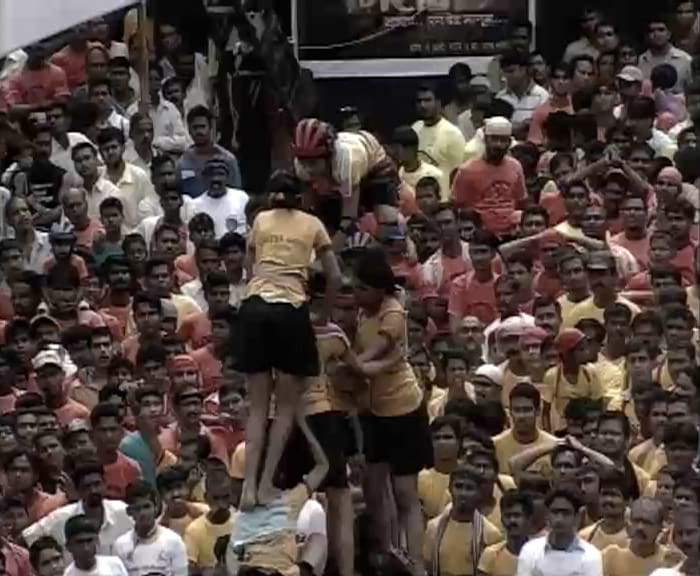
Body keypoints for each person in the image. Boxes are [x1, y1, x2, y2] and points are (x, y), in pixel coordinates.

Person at [237, 171, 340, 509]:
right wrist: (323, 314)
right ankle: (265, 484)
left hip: (254, 306)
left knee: (256, 406)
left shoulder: (261, 220)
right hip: (290, 308)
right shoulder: (313, 224)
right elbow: (334, 275)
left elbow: (249, 268)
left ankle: (248, 487)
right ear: (299, 198)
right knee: (285, 407)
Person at [23, 460, 132, 552]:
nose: (93, 490)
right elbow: (26, 537)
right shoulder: (61, 517)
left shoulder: (122, 511)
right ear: (78, 490)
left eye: (97, 484)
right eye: (87, 487)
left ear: (105, 484)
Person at [422, 462, 502, 576]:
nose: (463, 493)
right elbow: (428, 568)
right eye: (458, 486)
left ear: (479, 493)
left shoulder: (490, 534)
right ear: (450, 488)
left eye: (469, 488)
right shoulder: (433, 527)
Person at [452, 117, 526, 237]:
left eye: (503, 140)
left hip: (511, 233)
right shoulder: (467, 170)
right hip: (480, 235)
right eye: (494, 139)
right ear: (485, 140)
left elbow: (521, 201)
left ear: (509, 142)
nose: (498, 144)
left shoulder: (516, 166)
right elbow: (458, 205)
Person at [517, 487, 603, 576]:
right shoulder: (530, 551)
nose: (559, 519)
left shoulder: (591, 555)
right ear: (547, 516)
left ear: (577, 517)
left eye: (566, 513)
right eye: (554, 512)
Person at [113, 481, 188, 576]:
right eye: (137, 509)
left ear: (156, 508)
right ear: (129, 512)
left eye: (146, 507)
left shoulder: (174, 541)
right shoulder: (120, 545)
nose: (143, 513)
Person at [96, 127, 156, 230]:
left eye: (114, 147)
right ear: (100, 153)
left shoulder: (139, 175)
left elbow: (150, 210)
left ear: (123, 148)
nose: (110, 152)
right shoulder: (97, 177)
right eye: (106, 149)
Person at [601, 497, 677, 576]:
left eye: (647, 522)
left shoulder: (668, 560)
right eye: (636, 521)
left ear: (660, 527)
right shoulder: (611, 556)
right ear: (628, 524)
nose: (640, 527)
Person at [178, 106, 241, 198]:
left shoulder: (228, 160)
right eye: (195, 128)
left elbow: (237, 194)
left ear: (210, 128)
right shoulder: (182, 163)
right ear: (189, 130)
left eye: (202, 127)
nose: (199, 131)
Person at [412, 83, 467, 189]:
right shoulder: (415, 128)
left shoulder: (453, 133)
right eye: (419, 101)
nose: (423, 105)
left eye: (428, 100)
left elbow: (460, 173)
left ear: (438, 102)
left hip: (443, 199)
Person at [478, 490, 533, 576]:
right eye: (508, 516)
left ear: (528, 518)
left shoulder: (539, 554)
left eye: (517, 515)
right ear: (502, 519)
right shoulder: (491, 554)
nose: (512, 520)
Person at [191, 158, 249, 237]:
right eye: (211, 174)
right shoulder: (195, 205)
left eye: (220, 174)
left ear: (227, 176)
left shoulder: (241, 198)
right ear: (204, 177)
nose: (216, 178)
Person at [496, 50, 550, 129]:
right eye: (504, 72)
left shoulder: (542, 96)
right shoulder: (500, 97)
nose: (505, 77)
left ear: (524, 70)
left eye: (510, 71)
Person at [62, 514, 128, 576]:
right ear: (68, 546)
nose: (86, 548)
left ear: (97, 541)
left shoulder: (114, 564)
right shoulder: (67, 574)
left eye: (89, 541)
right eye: (80, 543)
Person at [639, 16, 692, 93]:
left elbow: (691, 91)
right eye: (652, 31)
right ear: (647, 36)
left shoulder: (685, 59)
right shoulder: (641, 60)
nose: (656, 34)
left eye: (661, 30)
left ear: (669, 34)